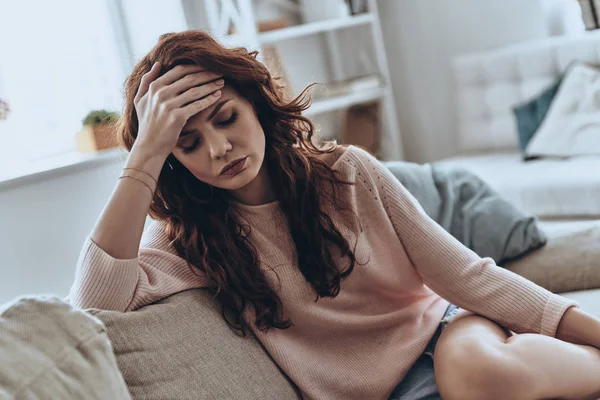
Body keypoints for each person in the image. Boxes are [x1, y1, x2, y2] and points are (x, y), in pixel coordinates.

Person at [69, 30, 600, 400]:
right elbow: (93, 302)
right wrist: (145, 154)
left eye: (226, 118)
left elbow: (467, 277)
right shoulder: (191, 242)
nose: (218, 149)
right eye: (187, 143)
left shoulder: (346, 173)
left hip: (448, 339)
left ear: (255, 103)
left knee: (479, 378)